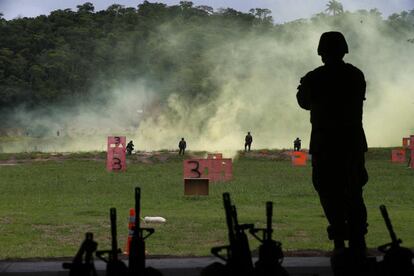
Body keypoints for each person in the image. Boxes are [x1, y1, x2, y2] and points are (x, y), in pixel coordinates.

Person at [296, 32, 369, 272]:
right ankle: (358, 242)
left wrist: (304, 86)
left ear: (321, 52)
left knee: (329, 192)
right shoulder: (355, 75)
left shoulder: (314, 78)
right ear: (344, 50)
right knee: (354, 191)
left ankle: (339, 240)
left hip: (325, 144)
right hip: (352, 143)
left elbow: (304, 102)